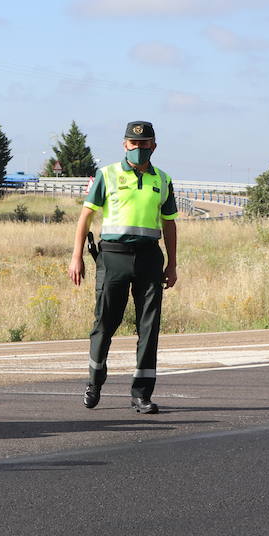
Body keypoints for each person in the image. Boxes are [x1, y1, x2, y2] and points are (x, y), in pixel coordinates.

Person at [68, 120, 178, 414]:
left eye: (144, 144)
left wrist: (172, 264)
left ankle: (141, 394)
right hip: (113, 256)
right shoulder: (107, 175)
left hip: (149, 258)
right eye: (133, 143)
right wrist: (76, 256)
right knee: (105, 324)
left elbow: (169, 224)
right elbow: (86, 218)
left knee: (149, 327)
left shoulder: (163, 180)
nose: (139, 149)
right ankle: (94, 382)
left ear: (154, 145)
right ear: (124, 145)